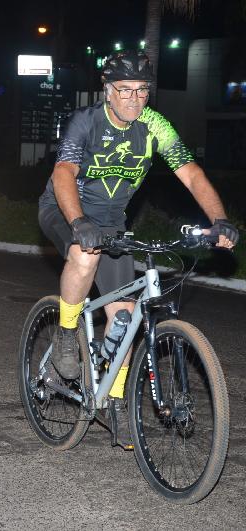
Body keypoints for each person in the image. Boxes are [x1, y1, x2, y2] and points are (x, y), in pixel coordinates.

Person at [37, 50, 239, 448]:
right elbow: (63, 174)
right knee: (84, 253)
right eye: (125, 90)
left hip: (113, 223)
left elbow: (192, 174)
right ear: (108, 91)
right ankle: (65, 332)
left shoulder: (154, 126)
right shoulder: (88, 121)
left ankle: (114, 402)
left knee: (127, 319)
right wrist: (79, 223)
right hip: (66, 210)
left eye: (142, 90)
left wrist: (219, 220)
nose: (134, 98)